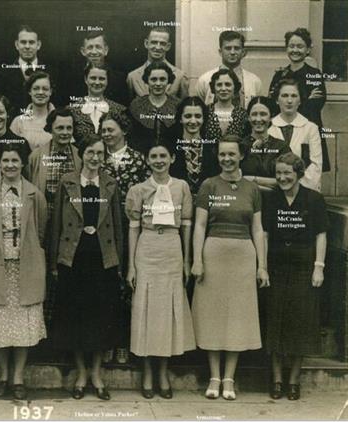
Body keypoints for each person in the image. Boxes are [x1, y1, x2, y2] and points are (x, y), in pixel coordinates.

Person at [191, 135, 269, 401]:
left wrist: (262, 266)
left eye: (231, 154)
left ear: (241, 156)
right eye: (222, 154)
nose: (226, 159)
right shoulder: (208, 185)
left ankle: (229, 378)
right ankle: (214, 376)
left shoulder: (251, 189)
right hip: (213, 255)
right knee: (213, 315)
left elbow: (257, 229)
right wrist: (197, 260)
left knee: (237, 316)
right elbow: (199, 225)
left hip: (243, 257)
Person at [50, 137, 123, 401]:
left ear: (105, 156)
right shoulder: (68, 182)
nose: (94, 157)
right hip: (74, 259)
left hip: (102, 261)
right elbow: (57, 222)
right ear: (82, 155)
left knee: (101, 318)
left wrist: (119, 263)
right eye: (90, 152)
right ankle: (81, 373)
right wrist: (55, 263)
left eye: (100, 153)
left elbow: (116, 226)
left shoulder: (110, 184)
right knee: (75, 319)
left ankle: (96, 374)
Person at [0, 143, 48, 400]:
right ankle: (3, 373)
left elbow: (40, 230)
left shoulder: (34, 195)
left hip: (24, 266)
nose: (9, 165)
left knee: (22, 323)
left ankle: (18, 376)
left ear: (22, 164)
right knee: (0, 323)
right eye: (5, 160)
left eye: (14, 161)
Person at [126, 142, 195, 400]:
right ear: (147, 160)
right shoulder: (138, 190)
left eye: (163, 156)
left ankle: (163, 373)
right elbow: (133, 228)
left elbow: (187, 226)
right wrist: (131, 265)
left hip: (172, 249)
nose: (158, 160)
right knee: (145, 310)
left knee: (167, 312)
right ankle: (146, 373)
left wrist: (187, 260)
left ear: (172, 158)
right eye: (153, 156)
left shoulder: (182, 187)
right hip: (147, 247)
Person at [263, 152, 328, 401]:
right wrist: (263, 266)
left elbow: (320, 234)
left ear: (298, 173)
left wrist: (318, 266)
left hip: (303, 267)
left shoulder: (314, 199)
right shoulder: (271, 199)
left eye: (287, 173)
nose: (282, 177)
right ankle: (277, 378)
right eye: (278, 173)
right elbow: (265, 234)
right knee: (276, 320)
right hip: (277, 267)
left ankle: (294, 380)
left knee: (301, 323)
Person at [100, 111, 149, 365]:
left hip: (131, 229)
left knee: (130, 287)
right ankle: (108, 341)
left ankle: (125, 343)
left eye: (112, 130)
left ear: (124, 131)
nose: (107, 135)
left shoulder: (139, 160)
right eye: (104, 131)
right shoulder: (98, 160)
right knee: (107, 287)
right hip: (104, 231)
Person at [27, 108, 81, 331]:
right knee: (43, 273)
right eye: (60, 127)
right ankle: (42, 328)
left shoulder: (79, 156)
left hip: (70, 224)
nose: (65, 132)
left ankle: (64, 328)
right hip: (45, 220)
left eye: (69, 128)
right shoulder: (37, 156)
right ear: (50, 128)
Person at [268, 28, 329, 172]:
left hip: (308, 128)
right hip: (282, 130)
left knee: (308, 169)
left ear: (308, 49)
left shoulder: (314, 75)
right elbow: (273, 104)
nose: (295, 50)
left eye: (300, 46)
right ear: (286, 48)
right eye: (291, 46)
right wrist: (304, 100)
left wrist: (289, 106)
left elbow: (316, 105)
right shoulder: (279, 75)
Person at [268, 78, 323, 192]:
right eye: (284, 95)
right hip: (274, 191)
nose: (289, 100)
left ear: (300, 101)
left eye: (294, 96)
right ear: (277, 100)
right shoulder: (268, 128)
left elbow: (316, 165)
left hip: (305, 190)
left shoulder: (311, 128)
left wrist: (296, 187)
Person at [0, 25, 57, 112]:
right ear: (16, 45)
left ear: (38, 45)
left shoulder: (52, 72)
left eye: (31, 42)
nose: (27, 46)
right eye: (23, 42)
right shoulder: (3, 74)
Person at [195, 30, 262, 108]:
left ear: (243, 52)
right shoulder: (205, 80)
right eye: (228, 48)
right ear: (220, 52)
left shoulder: (255, 81)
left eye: (236, 48)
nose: (232, 52)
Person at [167, 97, 219, 195]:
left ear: (204, 119)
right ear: (180, 119)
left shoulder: (213, 146)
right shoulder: (170, 146)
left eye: (198, 116)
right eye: (188, 116)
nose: (193, 121)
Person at [70, 63, 127, 147]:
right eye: (93, 78)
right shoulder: (72, 110)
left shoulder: (119, 110)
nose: (97, 82)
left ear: (107, 81)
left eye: (102, 79)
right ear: (86, 79)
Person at [65, 31, 129, 106]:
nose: (94, 52)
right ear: (83, 51)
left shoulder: (119, 79)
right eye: (90, 47)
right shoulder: (71, 77)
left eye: (98, 47)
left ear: (106, 50)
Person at [129, 61, 180, 154]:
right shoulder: (136, 105)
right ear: (147, 80)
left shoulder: (178, 105)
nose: (158, 83)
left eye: (162, 79)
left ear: (168, 80)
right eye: (153, 79)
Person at [241, 96, 291, 190]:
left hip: (274, 201)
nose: (258, 119)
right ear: (248, 117)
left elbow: (288, 179)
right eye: (254, 114)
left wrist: (253, 180)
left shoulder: (281, 147)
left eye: (263, 114)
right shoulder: (240, 146)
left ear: (271, 117)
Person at [127, 26, 189, 100]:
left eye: (162, 43)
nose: (158, 47)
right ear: (146, 43)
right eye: (154, 42)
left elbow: (184, 108)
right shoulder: (133, 77)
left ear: (168, 46)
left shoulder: (180, 76)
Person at [10, 71, 56, 150]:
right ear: (29, 91)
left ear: (50, 92)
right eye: (36, 88)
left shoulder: (59, 120)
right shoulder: (18, 122)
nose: (40, 92)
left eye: (45, 89)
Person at [204, 69, 249, 142]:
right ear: (213, 88)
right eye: (219, 85)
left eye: (228, 84)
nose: (223, 89)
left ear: (235, 87)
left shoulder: (243, 114)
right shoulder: (205, 111)